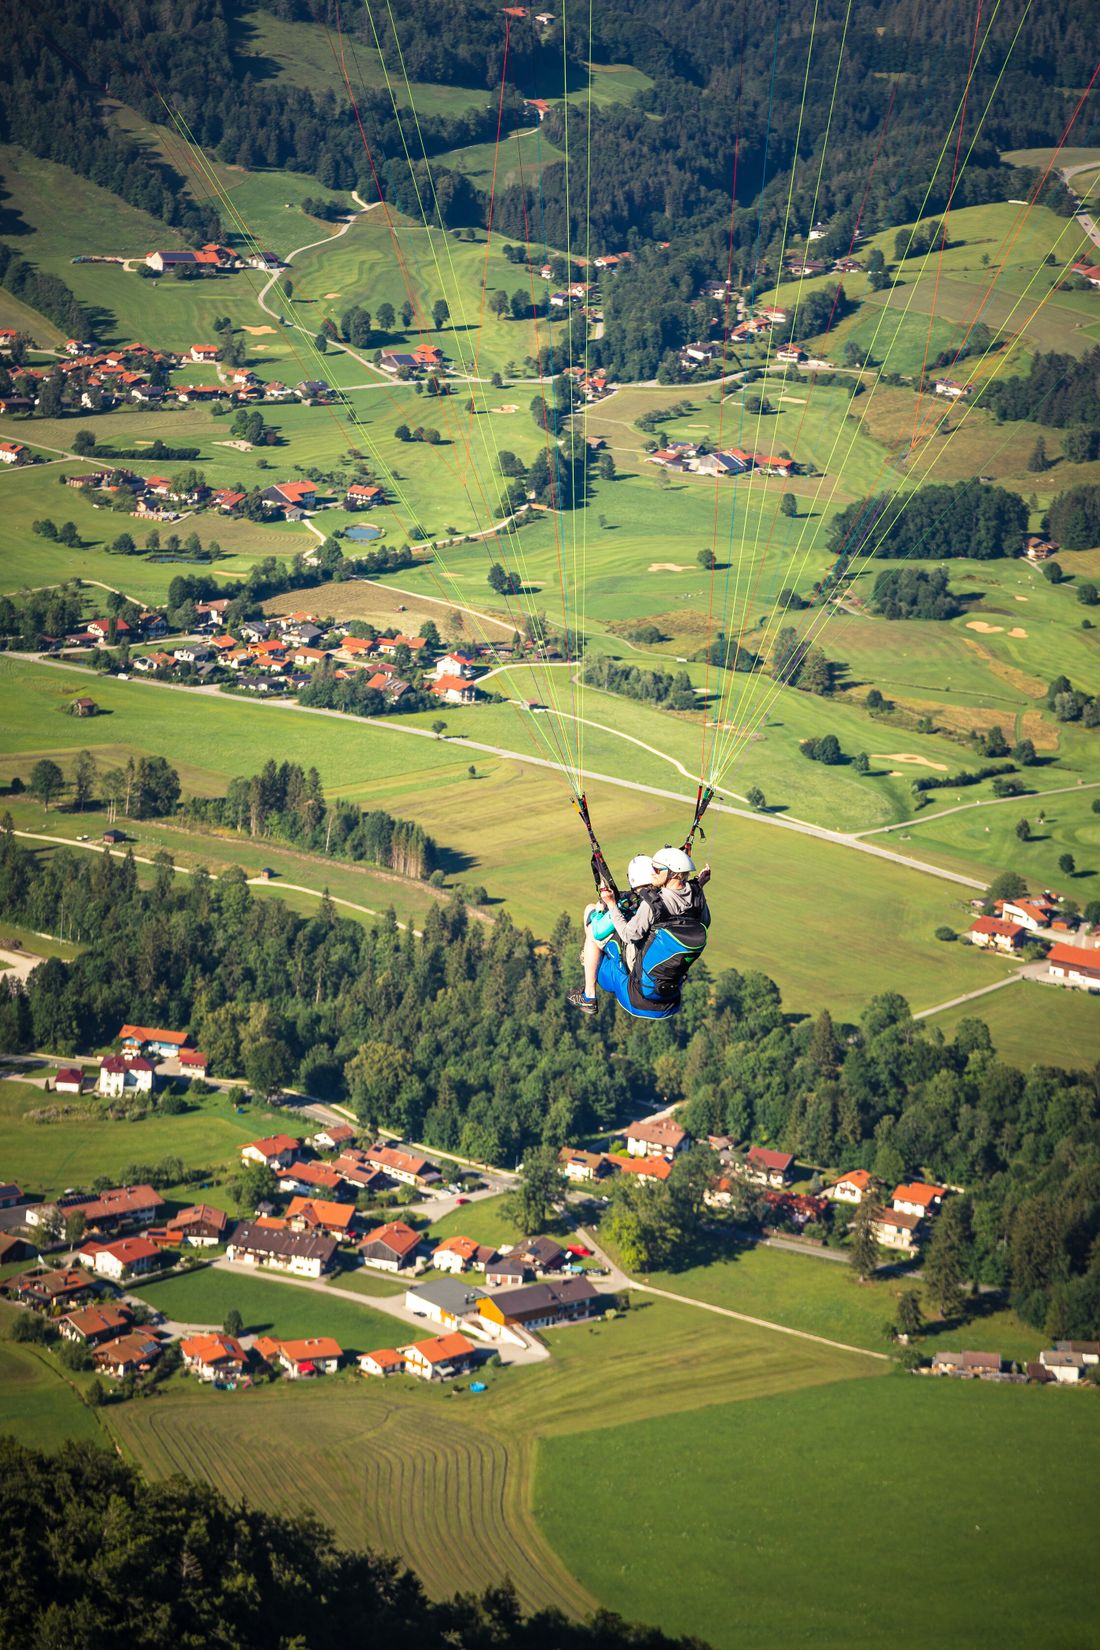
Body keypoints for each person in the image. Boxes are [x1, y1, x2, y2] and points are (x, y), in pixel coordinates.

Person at [567, 846, 711, 1018]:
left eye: (657, 869)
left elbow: (628, 935)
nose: (653, 873)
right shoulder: (696, 895)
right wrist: (699, 885)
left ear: (673, 874)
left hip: (635, 990)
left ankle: (589, 995)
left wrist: (612, 904)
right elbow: (704, 922)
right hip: (670, 995)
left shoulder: (654, 903)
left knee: (592, 925)